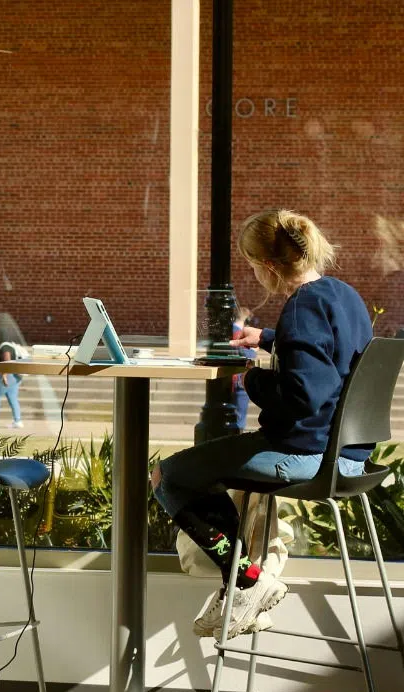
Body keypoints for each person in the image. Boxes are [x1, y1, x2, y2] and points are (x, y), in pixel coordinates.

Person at [152, 210, 372, 639]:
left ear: (269, 265)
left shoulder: (300, 308)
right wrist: (269, 339)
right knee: (208, 468)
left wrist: (251, 378)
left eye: (253, 265)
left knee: (168, 476)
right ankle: (243, 582)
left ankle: (247, 579)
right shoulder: (343, 295)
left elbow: (304, 395)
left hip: (306, 453)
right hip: (350, 455)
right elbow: (330, 351)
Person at [0, 340, 24, 428]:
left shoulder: (4, 347)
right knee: (13, 398)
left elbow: (7, 359)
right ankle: (17, 421)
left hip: (6, 374)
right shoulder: (12, 346)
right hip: (15, 376)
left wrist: (4, 375)